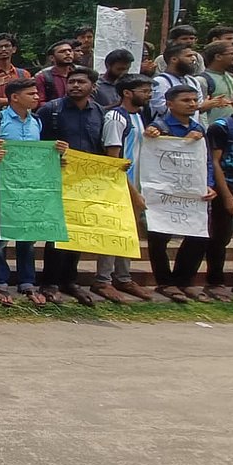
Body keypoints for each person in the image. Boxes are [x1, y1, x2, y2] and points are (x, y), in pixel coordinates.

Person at [0, 78, 67, 306]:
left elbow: (38, 154)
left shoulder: (36, 122)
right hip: (2, 188)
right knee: (0, 239)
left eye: (36, 94)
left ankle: (27, 282)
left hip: (29, 189)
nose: (37, 97)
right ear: (15, 97)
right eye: (32, 94)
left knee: (27, 236)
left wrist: (56, 152)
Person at [36, 66, 107, 305]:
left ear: (92, 87)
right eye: (72, 81)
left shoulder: (99, 112)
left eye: (81, 82)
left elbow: (100, 146)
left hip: (85, 181)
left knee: (79, 230)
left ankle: (70, 280)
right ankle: (50, 282)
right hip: (56, 177)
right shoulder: (50, 110)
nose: (75, 86)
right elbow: (36, 146)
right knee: (56, 231)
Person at [144, 85, 215, 302]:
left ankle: (184, 281)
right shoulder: (158, 128)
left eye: (194, 100)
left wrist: (209, 184)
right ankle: (165, 281)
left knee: (197, 236)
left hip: (193, 194)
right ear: (169, 104)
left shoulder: (199, 128)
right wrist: (152, 136)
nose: (192, 104)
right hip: (163, 195)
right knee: (159, 237)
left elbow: (207, 162)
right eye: (186, 100)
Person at [97, 74, 156, 301]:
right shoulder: (116, 118)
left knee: (129, 232)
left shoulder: (139, 116)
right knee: (114, 231)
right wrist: (132, 191)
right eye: (144, 90)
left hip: (136, 183)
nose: (148, 95)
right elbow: (113, 159)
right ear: (127, 93)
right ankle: (103, 280)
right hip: (119, 184)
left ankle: (123, 277)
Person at [204, 103, 233, 302]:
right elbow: (215, 161)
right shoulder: (221, 126)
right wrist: (227, 196)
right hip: (227, 186)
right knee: (220, 237)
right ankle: (215, 281)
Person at [150, 43, 206, 119]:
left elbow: (198, 106)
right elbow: (162, 110)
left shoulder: (193, 81)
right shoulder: (160, 82)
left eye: (194, 56)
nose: (193, 59)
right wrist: (201, 107)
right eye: (189, 56)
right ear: (174, 59)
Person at [200, 40, 233, 125]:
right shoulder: (203, 80)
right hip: (214, 130)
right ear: (218, 57)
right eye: (232, 54)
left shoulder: (232, 77)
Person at [35, 40, 76, 104]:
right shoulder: (43, 77)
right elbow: (39, 102)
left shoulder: (80, 73)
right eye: (62, 51)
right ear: (52, 58)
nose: (68, 53)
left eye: (70, 50)